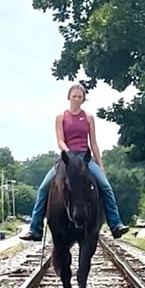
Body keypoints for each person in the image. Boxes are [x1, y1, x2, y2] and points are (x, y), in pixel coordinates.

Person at [20, 83, 130, 241]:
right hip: (67, 158)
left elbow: (93, 143)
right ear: (69, 97)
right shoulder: (61, 117)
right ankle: (35, 228)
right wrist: (67, 153)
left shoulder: (89, 117)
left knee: (105, 186)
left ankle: (115, 224)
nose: (77, 99)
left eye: (80, 96)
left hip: (84, 159)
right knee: (44, 187)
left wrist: (100, 164)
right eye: (74, 96)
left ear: (83, 99)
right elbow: (60, 140)